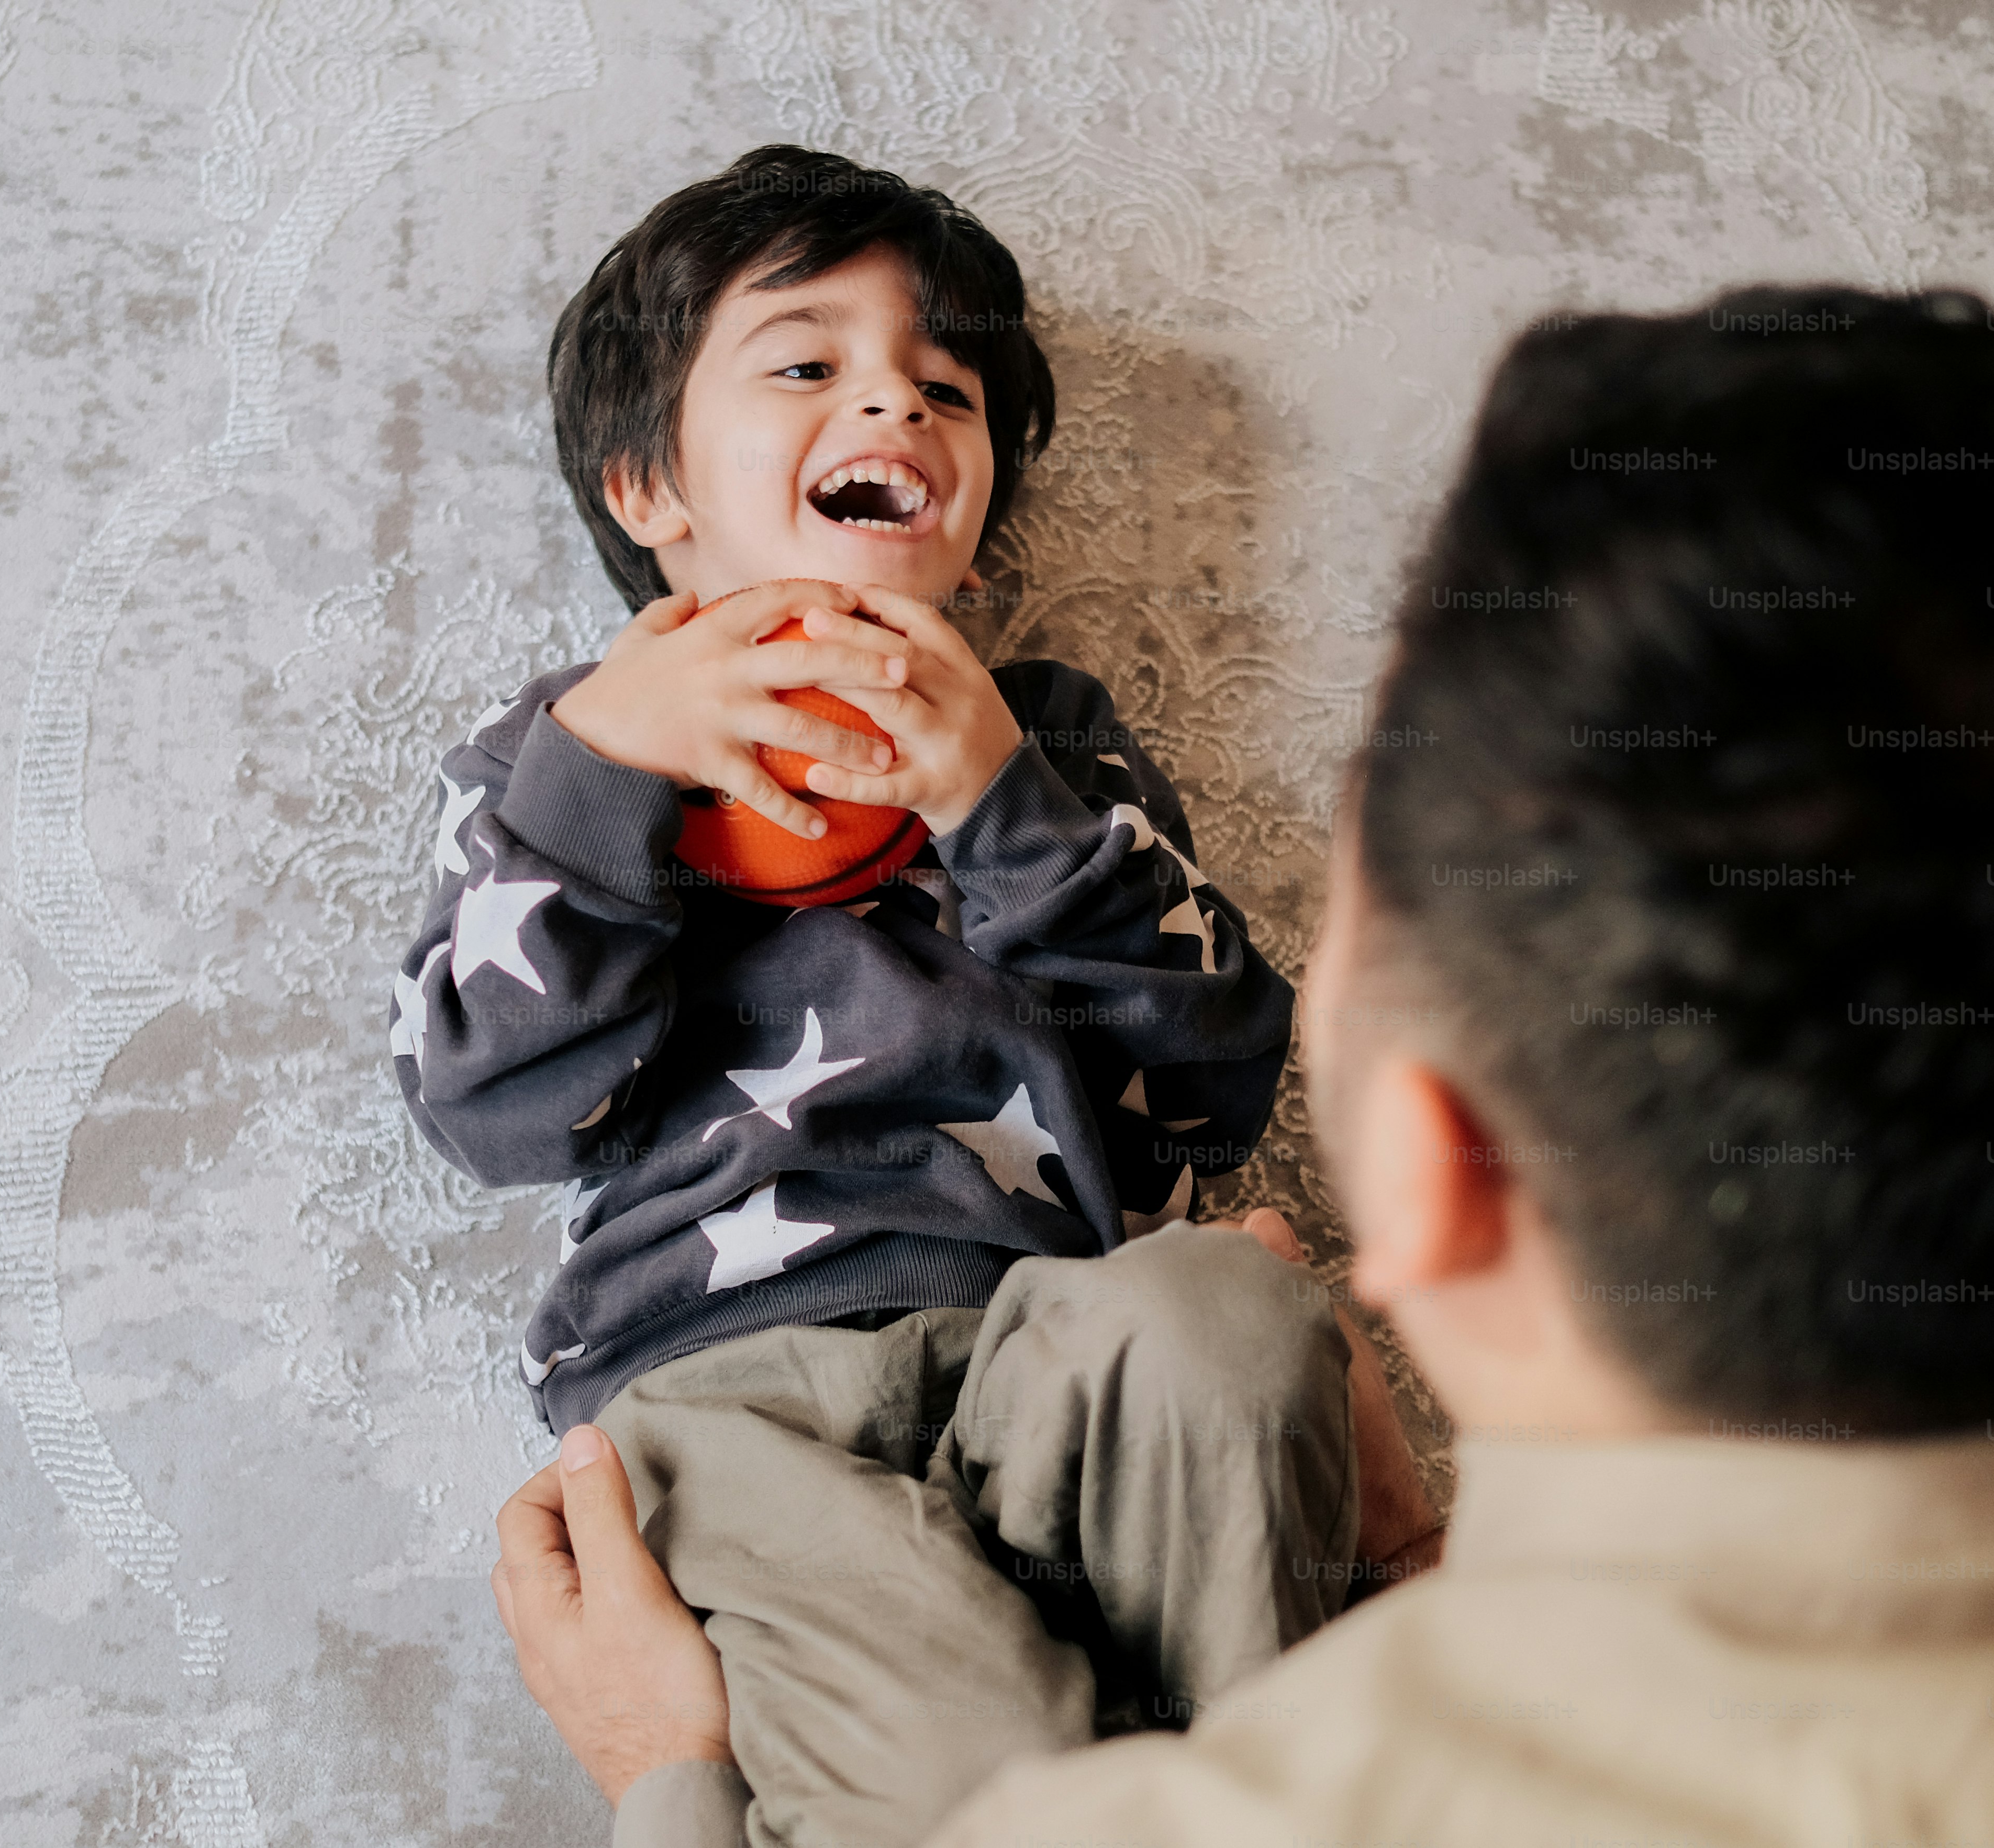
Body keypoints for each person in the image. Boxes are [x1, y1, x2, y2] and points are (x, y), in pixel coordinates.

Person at [496, 285, 1994, 1845]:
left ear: (1421, 1169)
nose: (895, 406)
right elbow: (495, 1071)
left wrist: (674, 1779)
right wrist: (1419, 1559)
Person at [394, 144, 1439, 1848]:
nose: (893, 398)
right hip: (733, 1400)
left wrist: (1000, 797)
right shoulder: (551, 757)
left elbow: (1222, 1076)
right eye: (807, 363)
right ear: (652, 486)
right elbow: (488, 1108)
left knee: (1234, 1318)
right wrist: (604, 781)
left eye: (942, 386)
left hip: (1057, 1347)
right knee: (976, 1759)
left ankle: (1271, 1784)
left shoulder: (1051, 741)